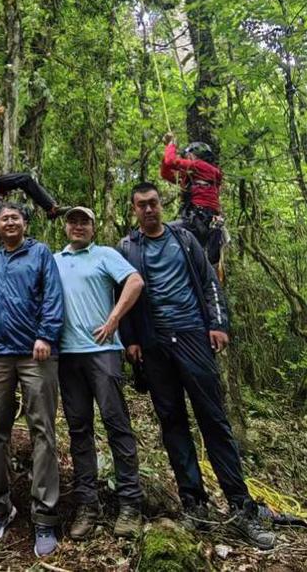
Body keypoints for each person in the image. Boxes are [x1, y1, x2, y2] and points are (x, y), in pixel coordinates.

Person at [118, 183, 274, 550]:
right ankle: (195, 503)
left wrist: (218, 325)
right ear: (134, 209)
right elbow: (122, 293)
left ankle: (240, 505)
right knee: (172, 422)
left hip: (192, 335)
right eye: (141, 205)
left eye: (153, 203)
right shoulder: (127, 248)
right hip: (155, 345)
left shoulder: (184, 239)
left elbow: (209, 283)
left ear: (161, 203)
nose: (148, 210)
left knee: (213, 419)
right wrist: (132, 340)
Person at [0, 203, 64, 558]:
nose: (10, 222)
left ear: (25, 224)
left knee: (42, 430)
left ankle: (44, 517)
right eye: (4, 219)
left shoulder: (40, 253)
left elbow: (54, 297)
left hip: (34, 353)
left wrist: (46, 335)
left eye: (15, 218)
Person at [55, 206, 145, 540]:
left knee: (116, 424)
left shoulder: (105, 255)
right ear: (66, 227)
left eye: (85, 222)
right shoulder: (55, 260)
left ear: (93, 227)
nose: (78, 226)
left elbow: (135, 281)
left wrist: (114, 319)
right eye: (73, 221)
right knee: (79, 430)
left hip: (103, 353)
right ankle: (87, 506)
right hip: (67, 357)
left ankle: (130, 505)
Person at [160, 134, 224, 267]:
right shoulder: (195, 175)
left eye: (187, 156)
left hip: (199, 219)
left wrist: (171, 144)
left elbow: (171, 161)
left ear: (193, 155)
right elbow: (165, 173)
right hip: (199, 220)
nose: (185, 159)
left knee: (164, 231)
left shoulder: (201, 166)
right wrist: (168, 150)